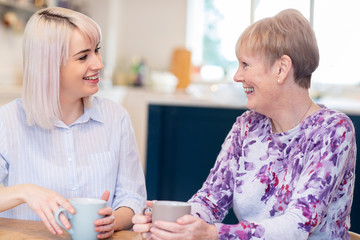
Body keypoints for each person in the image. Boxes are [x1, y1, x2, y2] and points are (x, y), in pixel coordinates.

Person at [132, 9, 356, 240]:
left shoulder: (333, 130)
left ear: (281, 68)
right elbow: (210, 201)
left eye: (245, 65)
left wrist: (212, 234)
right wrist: (171, 224)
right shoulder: (247, 126)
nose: (237, 76)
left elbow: (297, 225)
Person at [0, 7, 146, 239]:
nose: (98, 64)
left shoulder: (115, 118)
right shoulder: (6, 122)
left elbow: (132, 197)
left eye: (96, 51)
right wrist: (24, 192)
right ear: (47, 65)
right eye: (83, 56)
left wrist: (113, 221)